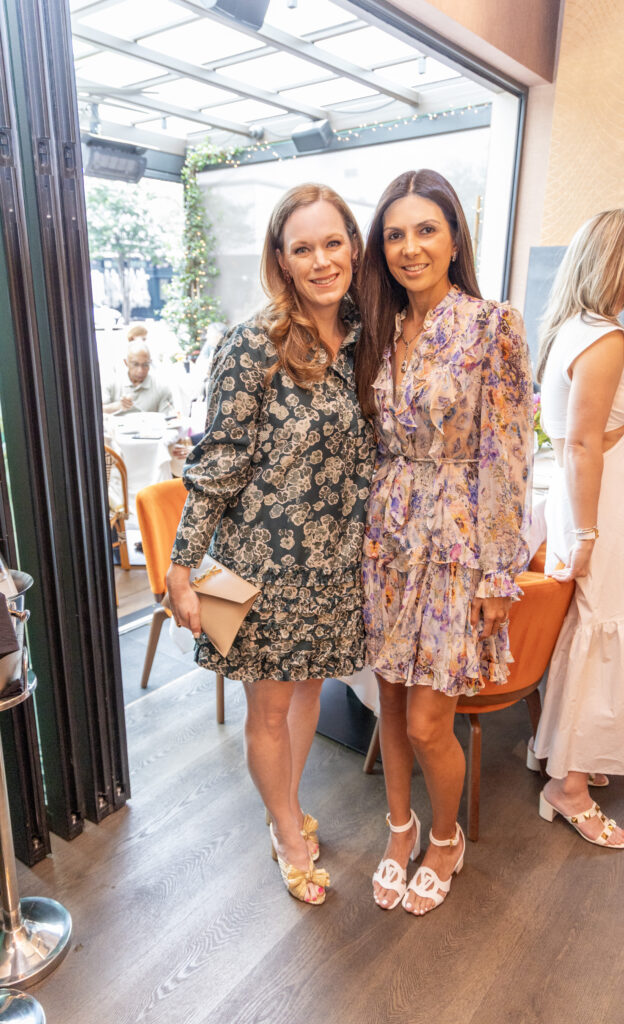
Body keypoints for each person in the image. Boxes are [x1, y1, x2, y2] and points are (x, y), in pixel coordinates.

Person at [166, 184, 375, 905]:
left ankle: (286, 805)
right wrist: (180, 563)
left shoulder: (365, 336)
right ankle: (284, 828)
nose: (321, 260)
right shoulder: (250, 343)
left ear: (352, 244)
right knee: (267, 712)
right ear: (281, 262)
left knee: (309, 697)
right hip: (250, 566)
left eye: (332, 242)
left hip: (332, 566)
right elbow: (216, 459)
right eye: (302, 248)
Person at [356, 169, 533, 916]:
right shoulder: (376, 328)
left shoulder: (493, 325)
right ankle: (398, 831)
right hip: (387, 534)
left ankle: (446, 837)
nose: (408, 247)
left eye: (425, 230)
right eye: (394, 234)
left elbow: (509, 456)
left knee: (431, 719)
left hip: (457, 539)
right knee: (389, 704)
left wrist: (499, 573)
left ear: (454, 238)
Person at [532, 208, 624, 848]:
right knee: (604, 628)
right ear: (614, 259)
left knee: (592, 629)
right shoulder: (605, 338)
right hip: (602, 507)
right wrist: (585, 537)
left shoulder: (578, 329)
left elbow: (601, 432)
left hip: (599, 498)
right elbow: (584, 443)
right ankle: (570, 786)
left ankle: (569, 754)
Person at [102, 340, 175, 417]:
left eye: (145, 364)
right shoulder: (112, 383)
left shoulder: (161, 387)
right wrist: (118, 406)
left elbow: (168, 419)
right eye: (135, 364)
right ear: (126, 362)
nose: (141, 370)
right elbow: (98, 412)